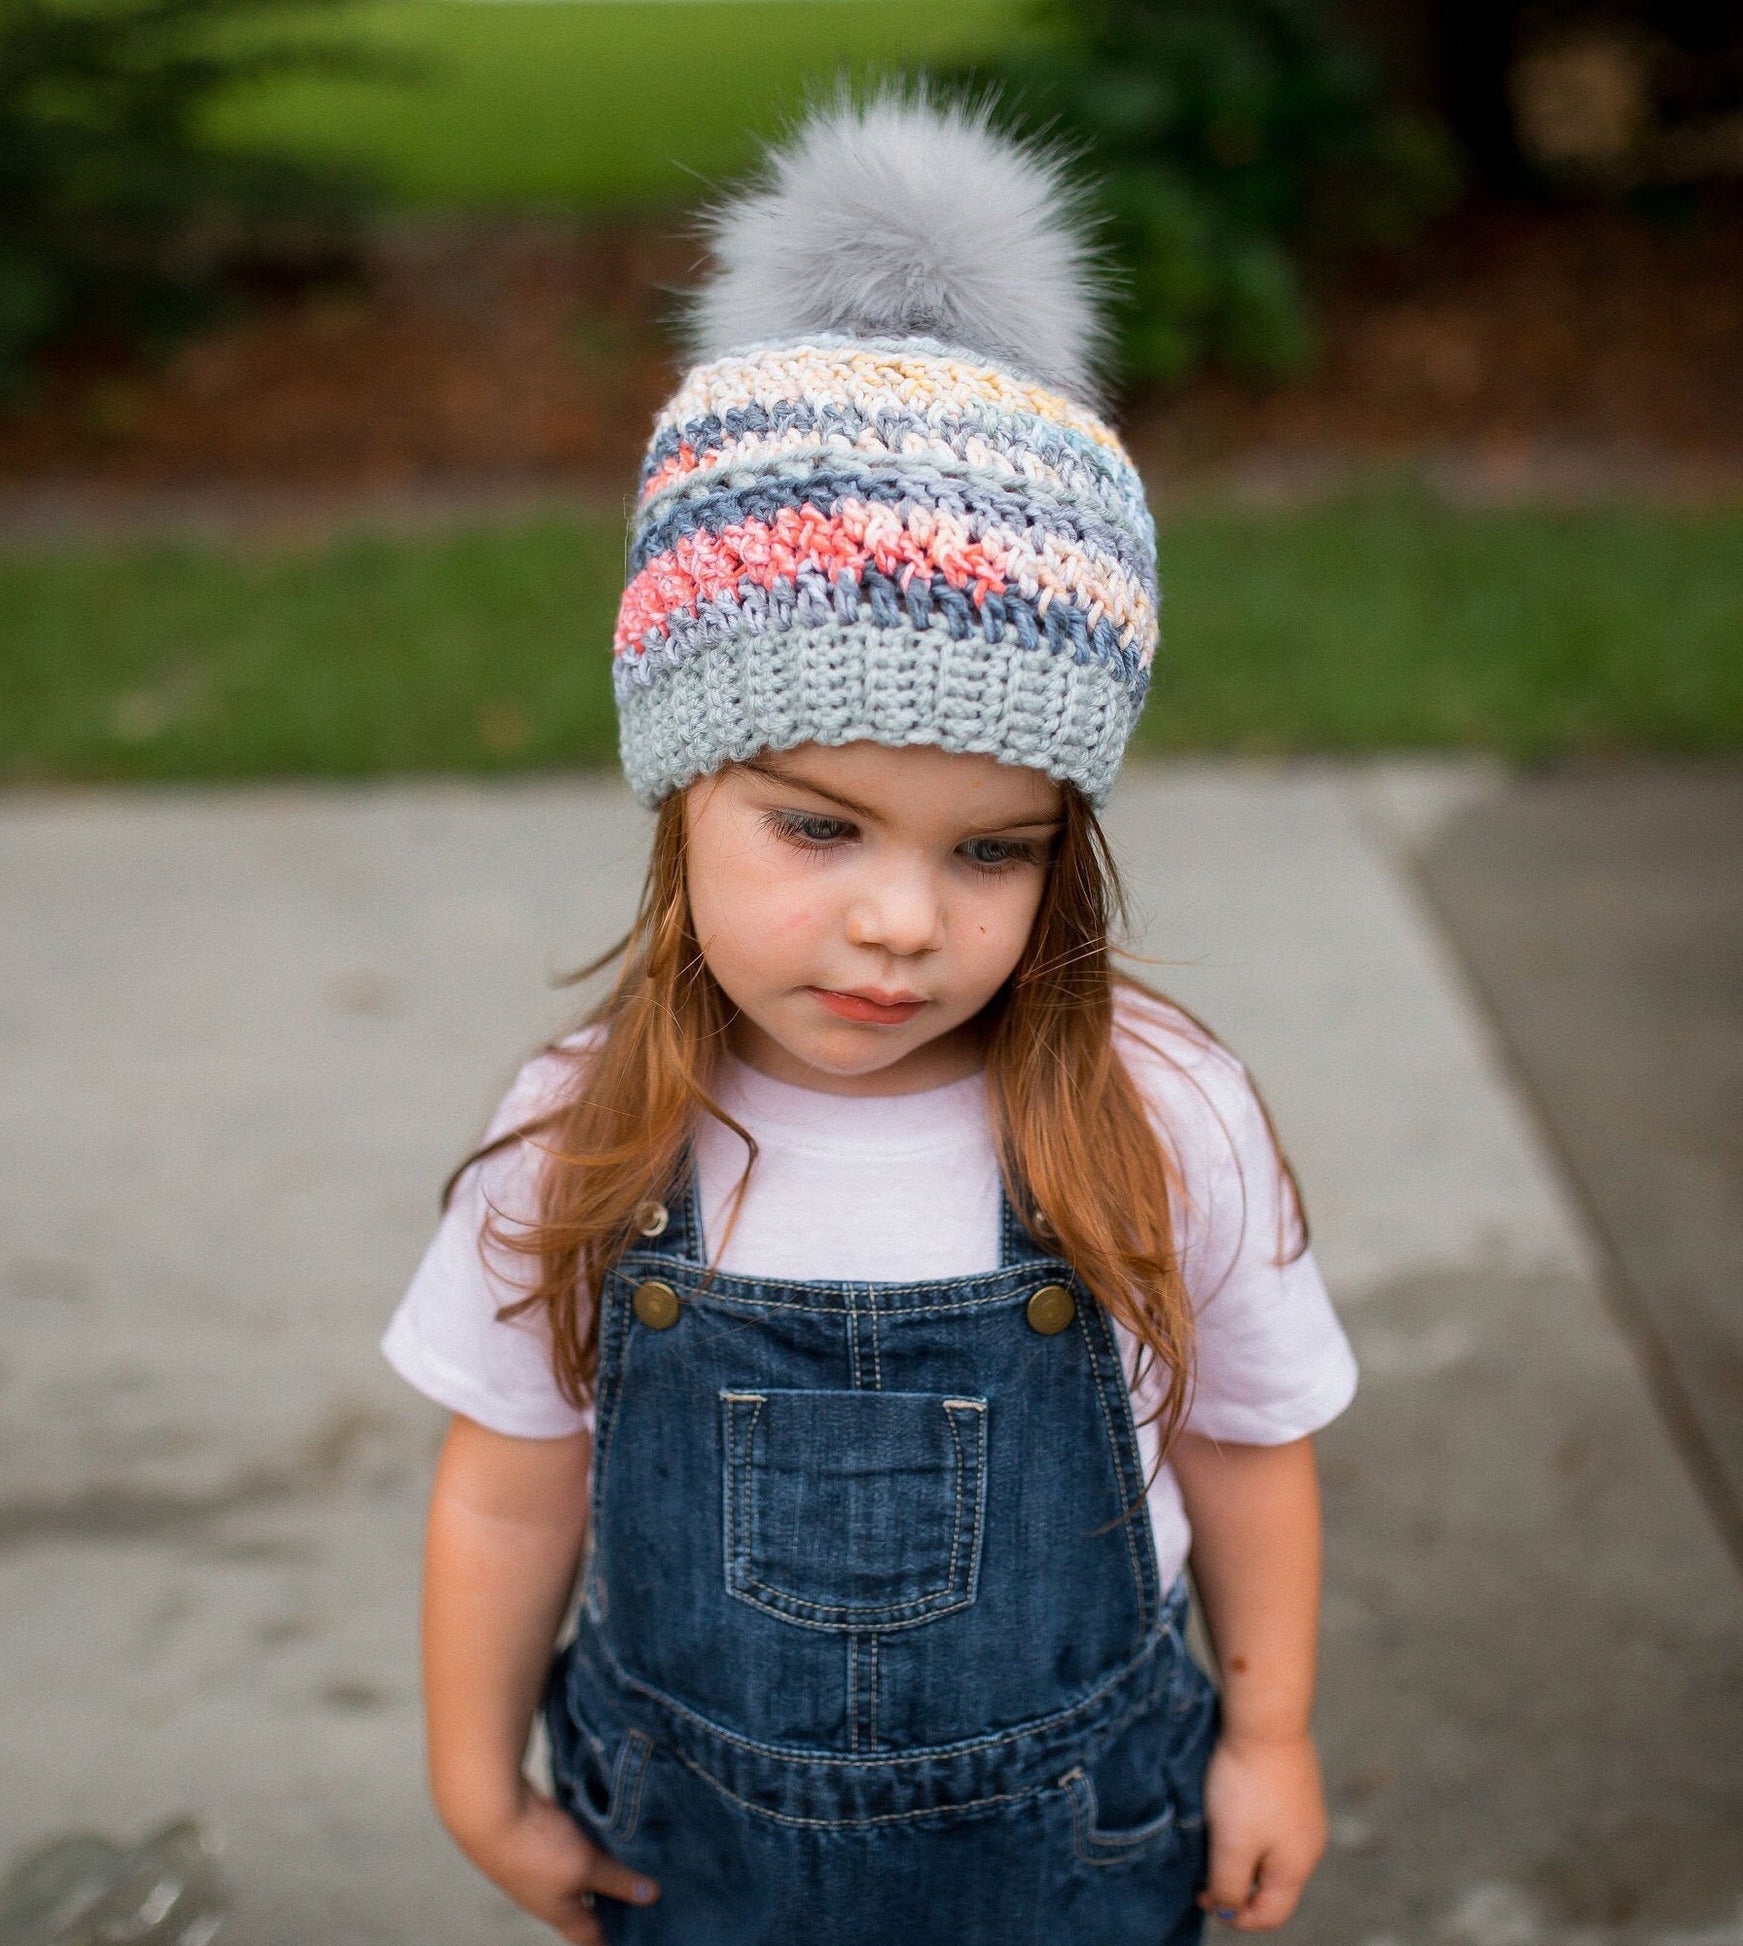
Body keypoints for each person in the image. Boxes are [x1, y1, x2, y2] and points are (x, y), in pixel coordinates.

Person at [382, 89, 1358, 1946]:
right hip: (691, 1861)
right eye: (817, 822)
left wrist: (1275, 1729)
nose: (900, 920)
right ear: (676, 779)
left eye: (990, 849)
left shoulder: (1155, 1113)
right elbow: (508, 1495)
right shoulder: (583, 1131)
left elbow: (1245, 1434)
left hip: (1080, 1858)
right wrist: (471, 1774)